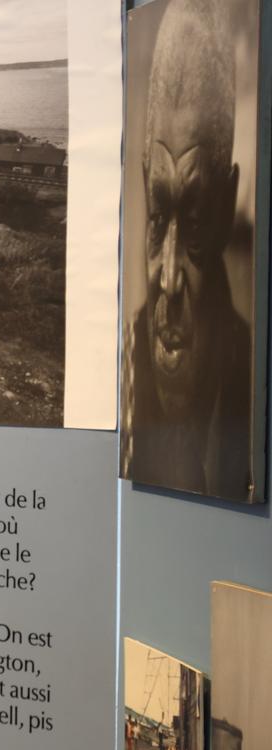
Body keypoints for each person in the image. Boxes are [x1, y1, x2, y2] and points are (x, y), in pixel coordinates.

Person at [121, 0, 252, 501]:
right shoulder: (126, 356)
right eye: (158, 220)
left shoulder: (249, 373)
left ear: (225, 208)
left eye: (194, 224)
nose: (168, 278)